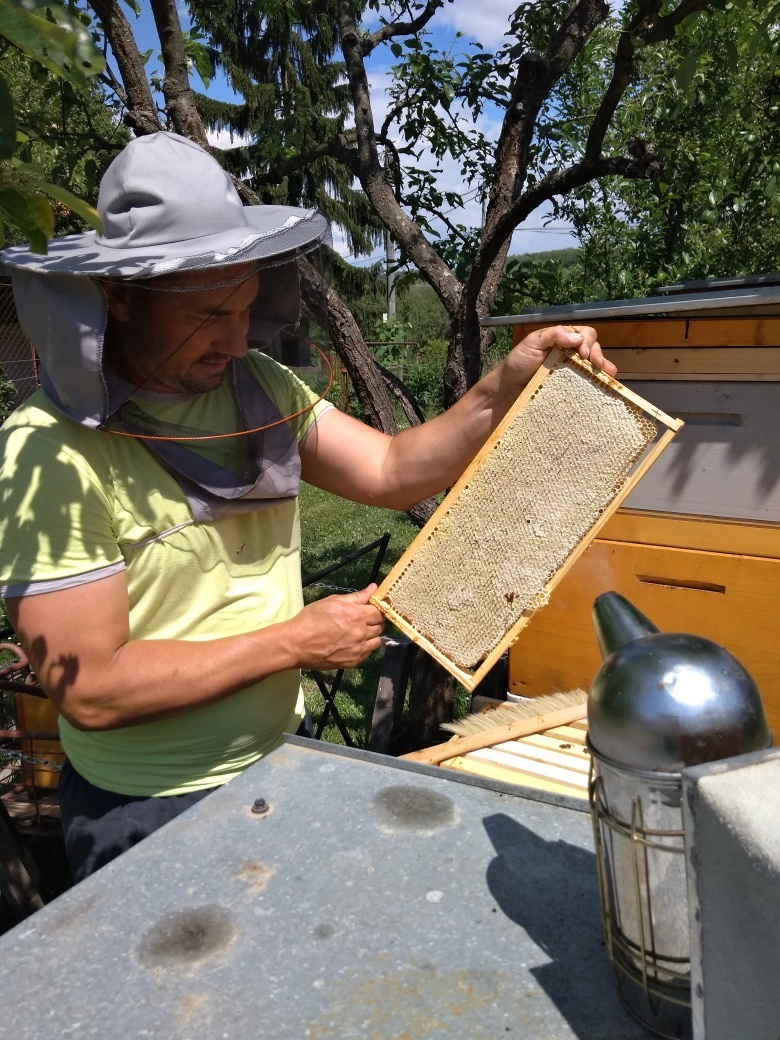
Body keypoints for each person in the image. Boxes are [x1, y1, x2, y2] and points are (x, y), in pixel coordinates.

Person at [0, 132, 615, 882]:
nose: (235, 341)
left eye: (244, 309)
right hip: (148, 805)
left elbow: (390, 470)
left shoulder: (260, 385)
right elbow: (91, 687)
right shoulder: (46, 452)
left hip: (281, 762)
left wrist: (503, 386)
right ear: (120, 297)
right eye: (208, 315)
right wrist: (294, 642)